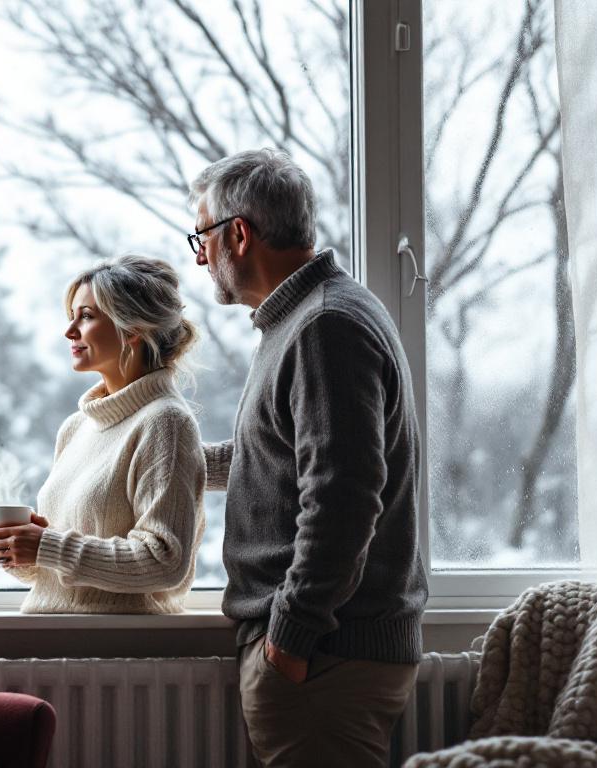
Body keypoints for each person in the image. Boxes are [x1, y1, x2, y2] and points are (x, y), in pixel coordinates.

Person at [189, 148, 428, 767]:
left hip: (323, 657)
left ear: (238, 235)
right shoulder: (304, 318)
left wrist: (290, 639)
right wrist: (155, 460)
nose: (199, 257)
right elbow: (273, 460)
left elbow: (343, 496)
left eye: (201, 237)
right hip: (323, 653)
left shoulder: (324, 327)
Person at [0, 255, 207, 614]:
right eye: (72, 317)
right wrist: (19, 550)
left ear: (130, 328)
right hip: (52, 642)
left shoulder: (166, 423)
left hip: (115, 650)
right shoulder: (76, 428)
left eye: (85, 316)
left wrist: (47, 545)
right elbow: (68, 571)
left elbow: (164, 561)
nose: (70, 331)